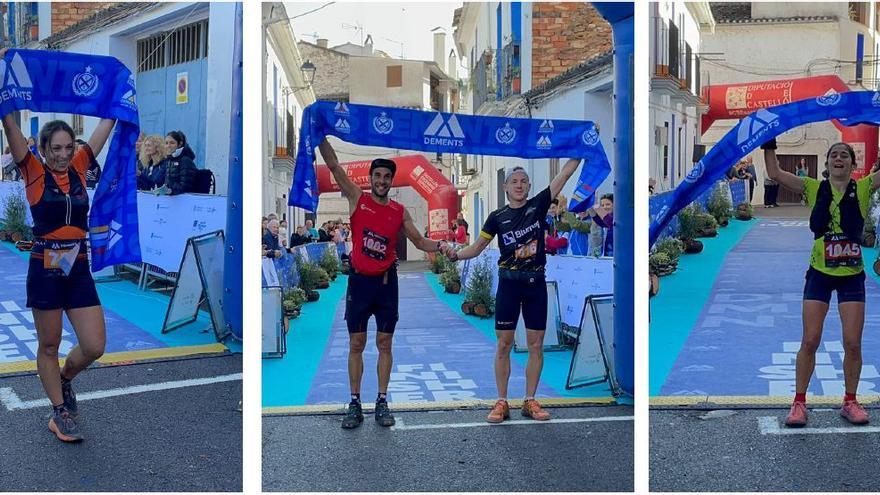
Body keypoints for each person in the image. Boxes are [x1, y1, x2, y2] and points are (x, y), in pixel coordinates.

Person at [1, 97, 116, 442]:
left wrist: (119, 94)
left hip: (78, 267)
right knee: (48, 345)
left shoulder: (81, 165)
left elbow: (105, 126)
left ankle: (64, 380)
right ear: (44, 149)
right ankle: (58, 412)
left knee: (94, 346)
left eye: (69, 147)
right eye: (57, 148)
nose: (64, 154)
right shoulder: (33, 171)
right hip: (45, 267)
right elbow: (9, 123)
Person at [318, 138, 448, 429]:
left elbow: (418, 240)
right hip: (360, 284)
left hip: (387, 284)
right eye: (377, 176)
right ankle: (354, 403)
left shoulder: (400, 211)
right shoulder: (357, 198)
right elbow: (335, 166)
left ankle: (381, 400)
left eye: (387, 177)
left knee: (384, 343)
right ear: (371, 178)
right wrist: (319, 137)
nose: (381, 181)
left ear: (391, 181)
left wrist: (441, 246)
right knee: (356, 343)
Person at [443, 159, 582, 423]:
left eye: (523, 182)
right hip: (508, 284)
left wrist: (583, 143)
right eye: (514, 182)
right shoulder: (497, 217)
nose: (519, 185)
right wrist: (456, 256)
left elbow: (564, 174)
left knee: (536, 344)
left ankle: (530, 400)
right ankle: (502, 401)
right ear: (505, 187)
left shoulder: (538, 205)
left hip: (535, 284)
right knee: (504, 344)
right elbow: (477, 248)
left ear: (529, 186)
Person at [763, 137, 880, 427]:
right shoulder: (814, 188)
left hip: (852, 276)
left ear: (853, 164)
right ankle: (799, 403)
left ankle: (850, 401)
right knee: (810, 340)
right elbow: (775, 173)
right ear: (827, 164)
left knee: (852, 343)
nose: (839, 158)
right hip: (819, 274)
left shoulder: (864, 187)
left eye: (845, 155)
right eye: (834, 155)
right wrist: (768, 139)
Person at [162, 131, 197, 195]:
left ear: (180, 144)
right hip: (172, 200)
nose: (168, 146)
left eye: (172, 143)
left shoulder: (185, 161)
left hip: (185, 201)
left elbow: (185, 187)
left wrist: (171, 190)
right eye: (166, 143)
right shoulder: (169, 160)